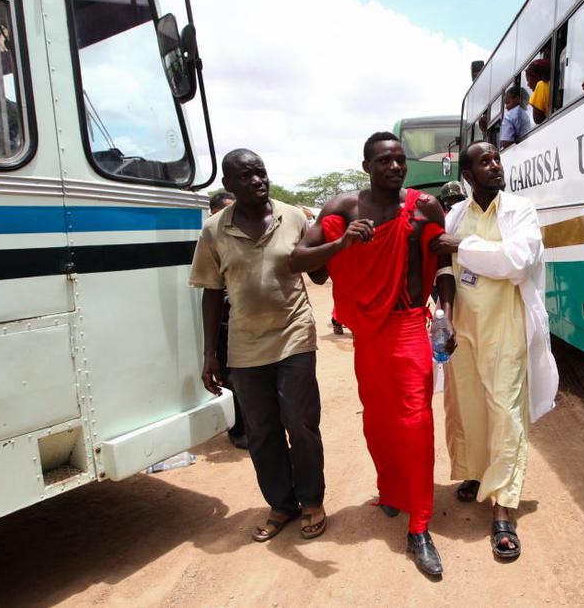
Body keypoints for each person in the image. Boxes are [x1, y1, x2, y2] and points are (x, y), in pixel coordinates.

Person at [289, 132, 448, 577]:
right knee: (378, 420)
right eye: (384, 160)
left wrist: (446, 315)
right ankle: (392, 491)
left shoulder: (425, 207)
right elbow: (298, 260)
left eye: (400, 159)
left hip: (409, 327)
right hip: (368, 335)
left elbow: (444, 262)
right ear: (367, 166)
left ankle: (420, 526)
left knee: (416, 423)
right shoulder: (343, 208)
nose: (395, 167)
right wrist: (342, 244)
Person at [190, 149, 328, 543]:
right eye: (246, 176)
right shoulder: (214, 230)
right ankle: (282, 504)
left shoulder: (294, 217)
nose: (256, 180)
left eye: (261, 172)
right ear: (228, 184)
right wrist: (210, 354)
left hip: (294, 334)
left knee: (300, 423)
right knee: (262, 431)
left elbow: (318, 272)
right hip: (245, 343)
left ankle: (311, 500)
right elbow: (211, 291)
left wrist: (331, 247)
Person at [431, 140, 559, 560]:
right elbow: (444, 268)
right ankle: (474, 473)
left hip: (505, 328)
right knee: (465, 407)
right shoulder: (456, 214)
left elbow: (516, 261)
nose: (495, 166)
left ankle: (503, 505)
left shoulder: (520, 210)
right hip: (464, 330)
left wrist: (460, 246)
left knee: (505, 411)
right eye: (484, 162)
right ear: (468, 176)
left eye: (497, 159)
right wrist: (445, 317)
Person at [206, 191, 248, 450]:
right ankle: (238, 430)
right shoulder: (210, 237)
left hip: (245, 318)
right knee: (230, 378)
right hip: (224, 320)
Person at [525, 59, 551, 126]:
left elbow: (537, 119)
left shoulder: (541, 85)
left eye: (528, 80)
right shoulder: (550, 84)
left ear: (535, 77)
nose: (528, 84)